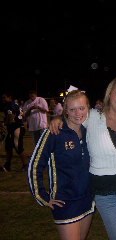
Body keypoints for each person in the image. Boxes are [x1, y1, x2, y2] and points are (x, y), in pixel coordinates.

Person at [49, 78, 116, 240]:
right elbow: (74, 114)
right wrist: (59, 118)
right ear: (109, 95)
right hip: (105, 190)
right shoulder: (93, 117)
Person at [27, 90, 94, 240]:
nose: (78, 113)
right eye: (72, 109)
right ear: (66, 110)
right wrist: (42, 197)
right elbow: (34, 165)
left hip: (86, 199)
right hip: (65, 201)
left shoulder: (90, 130)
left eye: (82, 108)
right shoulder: (54, 132)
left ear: (88, 108)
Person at [1, 92, 28, 172]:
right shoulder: (12, 104)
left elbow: (10, 120)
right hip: (13, 128)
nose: (3, 99)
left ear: (10, 98)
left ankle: (25, 165)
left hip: (17, 127)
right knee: (8, 146)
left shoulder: (10, 106)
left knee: (17, 146)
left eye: (4, 97)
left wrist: (2, 124)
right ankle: (7, 164)